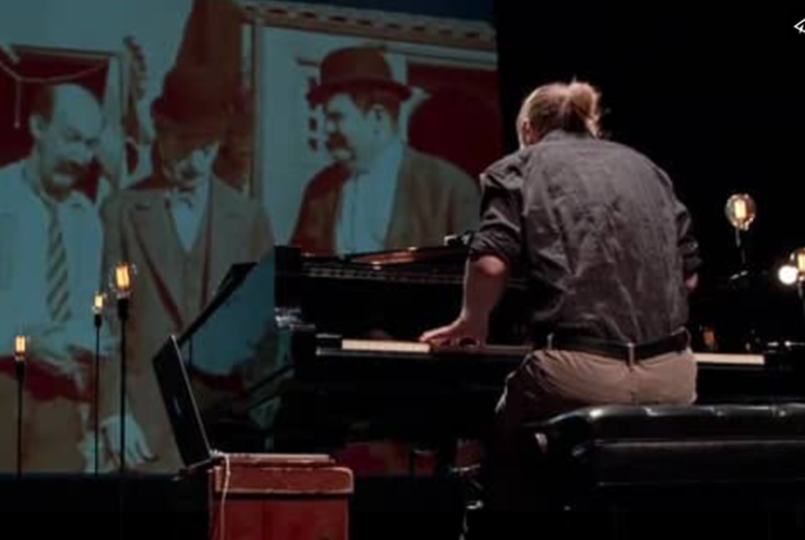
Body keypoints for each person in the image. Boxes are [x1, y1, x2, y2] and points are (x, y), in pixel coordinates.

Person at [421, 81, 702, 512]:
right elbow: (689, 279)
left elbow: (490, 264)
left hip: (578, 373)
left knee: (489, 448)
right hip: (674, 377)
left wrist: (471, 320)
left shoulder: (518, 167)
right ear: (587, 124)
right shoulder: (649, 169)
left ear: (529, 130)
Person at [0, 82, 127, 472]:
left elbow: (83, 310)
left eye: (90, 144)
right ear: (37, 127)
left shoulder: (85, 222)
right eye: (71, 139)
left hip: (57, 405)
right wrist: (19, 343)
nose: (81, 157)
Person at [100, 65, 274, 473]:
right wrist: (113, 413)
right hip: (144, 427)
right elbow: (108, 321)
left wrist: (261, 417)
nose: (196, 162)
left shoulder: (249, 218)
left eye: (207, 147)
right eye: (184, 144)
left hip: (227, 424)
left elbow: (268, 327)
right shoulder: (121, 212)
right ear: (160, 132)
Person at [291, 46, 480, 255]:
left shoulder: (449, 189)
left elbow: (474, 275)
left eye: (336, 117)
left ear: (378, 118)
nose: (326, 128)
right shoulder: (319, 191)